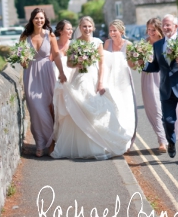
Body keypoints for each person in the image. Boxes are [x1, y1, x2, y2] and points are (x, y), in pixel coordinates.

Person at [52, 16, 136, 160]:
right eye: (84, 26)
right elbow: (69, 64)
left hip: (93, 78)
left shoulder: (98, 42)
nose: (87, 29)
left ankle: (97, 144)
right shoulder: (75, 43)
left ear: (93, 28)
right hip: (79, 78)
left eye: (89, 26)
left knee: (96, 110)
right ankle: (80, 146)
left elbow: (102, 64)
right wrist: (77, 63)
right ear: (80, 27)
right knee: (78, 107)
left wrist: (101, 82)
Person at [142, 14, 178, 164]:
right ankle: (171, 142)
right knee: (168, 120)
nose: (166, 27)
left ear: (176, 27)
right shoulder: (158, 45)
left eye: (169, 25)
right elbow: (155, 66)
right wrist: (142, 63)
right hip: (166, 89)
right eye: (164, 25)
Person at [19, 8, 63, 157]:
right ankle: (40, 143)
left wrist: (62, 72)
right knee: (36, 109)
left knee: (48, 108)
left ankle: (51, 142)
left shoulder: (49, 35)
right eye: (37, 18)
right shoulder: (25, 37)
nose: (39, 21)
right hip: (31, 74)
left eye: (42, 18)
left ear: (45, 20)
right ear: (32, 20)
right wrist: (22, 60)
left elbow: (56, 55)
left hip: (46, 73)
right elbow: (22, 61)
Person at [137, 18, 178, 154]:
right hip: (149, 79)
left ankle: (171, 136)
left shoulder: (166, 43)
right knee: (155, 109)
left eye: (153, 30)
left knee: (172, 110)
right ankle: (162, 140)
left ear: (159, 30)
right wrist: (138, 60)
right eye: (148, 29)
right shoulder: (143, 44)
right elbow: (136, 65)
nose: (150, 32)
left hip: (165, 78)